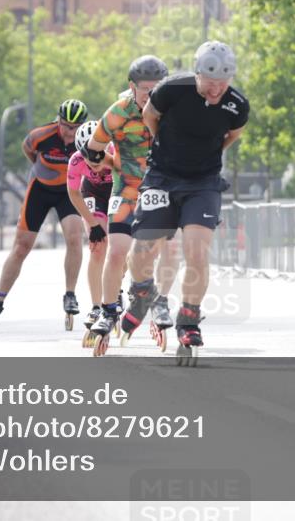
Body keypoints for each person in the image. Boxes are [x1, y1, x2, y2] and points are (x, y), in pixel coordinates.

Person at [126, 42, 248, 363]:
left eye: (223, 84)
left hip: (203, 182)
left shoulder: (236, 105)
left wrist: (203, 156)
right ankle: (141, 290)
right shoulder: (171, 89)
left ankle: (189, 317)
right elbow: (150, 116)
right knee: (143, 250)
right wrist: (165, 147)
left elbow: (231, 136)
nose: (216, 90)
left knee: (196, 250)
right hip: (162, 176)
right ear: (197, 75)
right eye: (209, 83)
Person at [85, 56, 180, 352]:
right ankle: (108, 309)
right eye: (144, 90)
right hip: (126, 188)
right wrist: (101, 161)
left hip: (160, 189)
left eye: (156, 90)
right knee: (116, 254)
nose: (150, 96)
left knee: (166, 249)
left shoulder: (174, 112)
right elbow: (92, 150)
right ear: (131, 87)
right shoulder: (118, 113)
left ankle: (160, 302)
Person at [0, 99, 90, 333]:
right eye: (65, 125)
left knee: (75, 238)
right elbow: (28, 150)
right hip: (40, 189)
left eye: (75, 127)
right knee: (21, 247)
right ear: (58, 120)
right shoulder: (40, 135)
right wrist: (41, 170)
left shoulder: (86, 139)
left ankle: (70, 294)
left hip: (69, 192)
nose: (69, 132)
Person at [64, 120, 117, 342]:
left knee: (117, 248)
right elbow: (74, 194)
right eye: (89, 158)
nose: (94, 164)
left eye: (97, 156)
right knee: (97, 249)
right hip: (92, 193)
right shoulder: (76, 161)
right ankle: (96, 306)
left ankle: (117, 289)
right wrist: (93, 225)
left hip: (117, 189)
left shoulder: (116, 151)